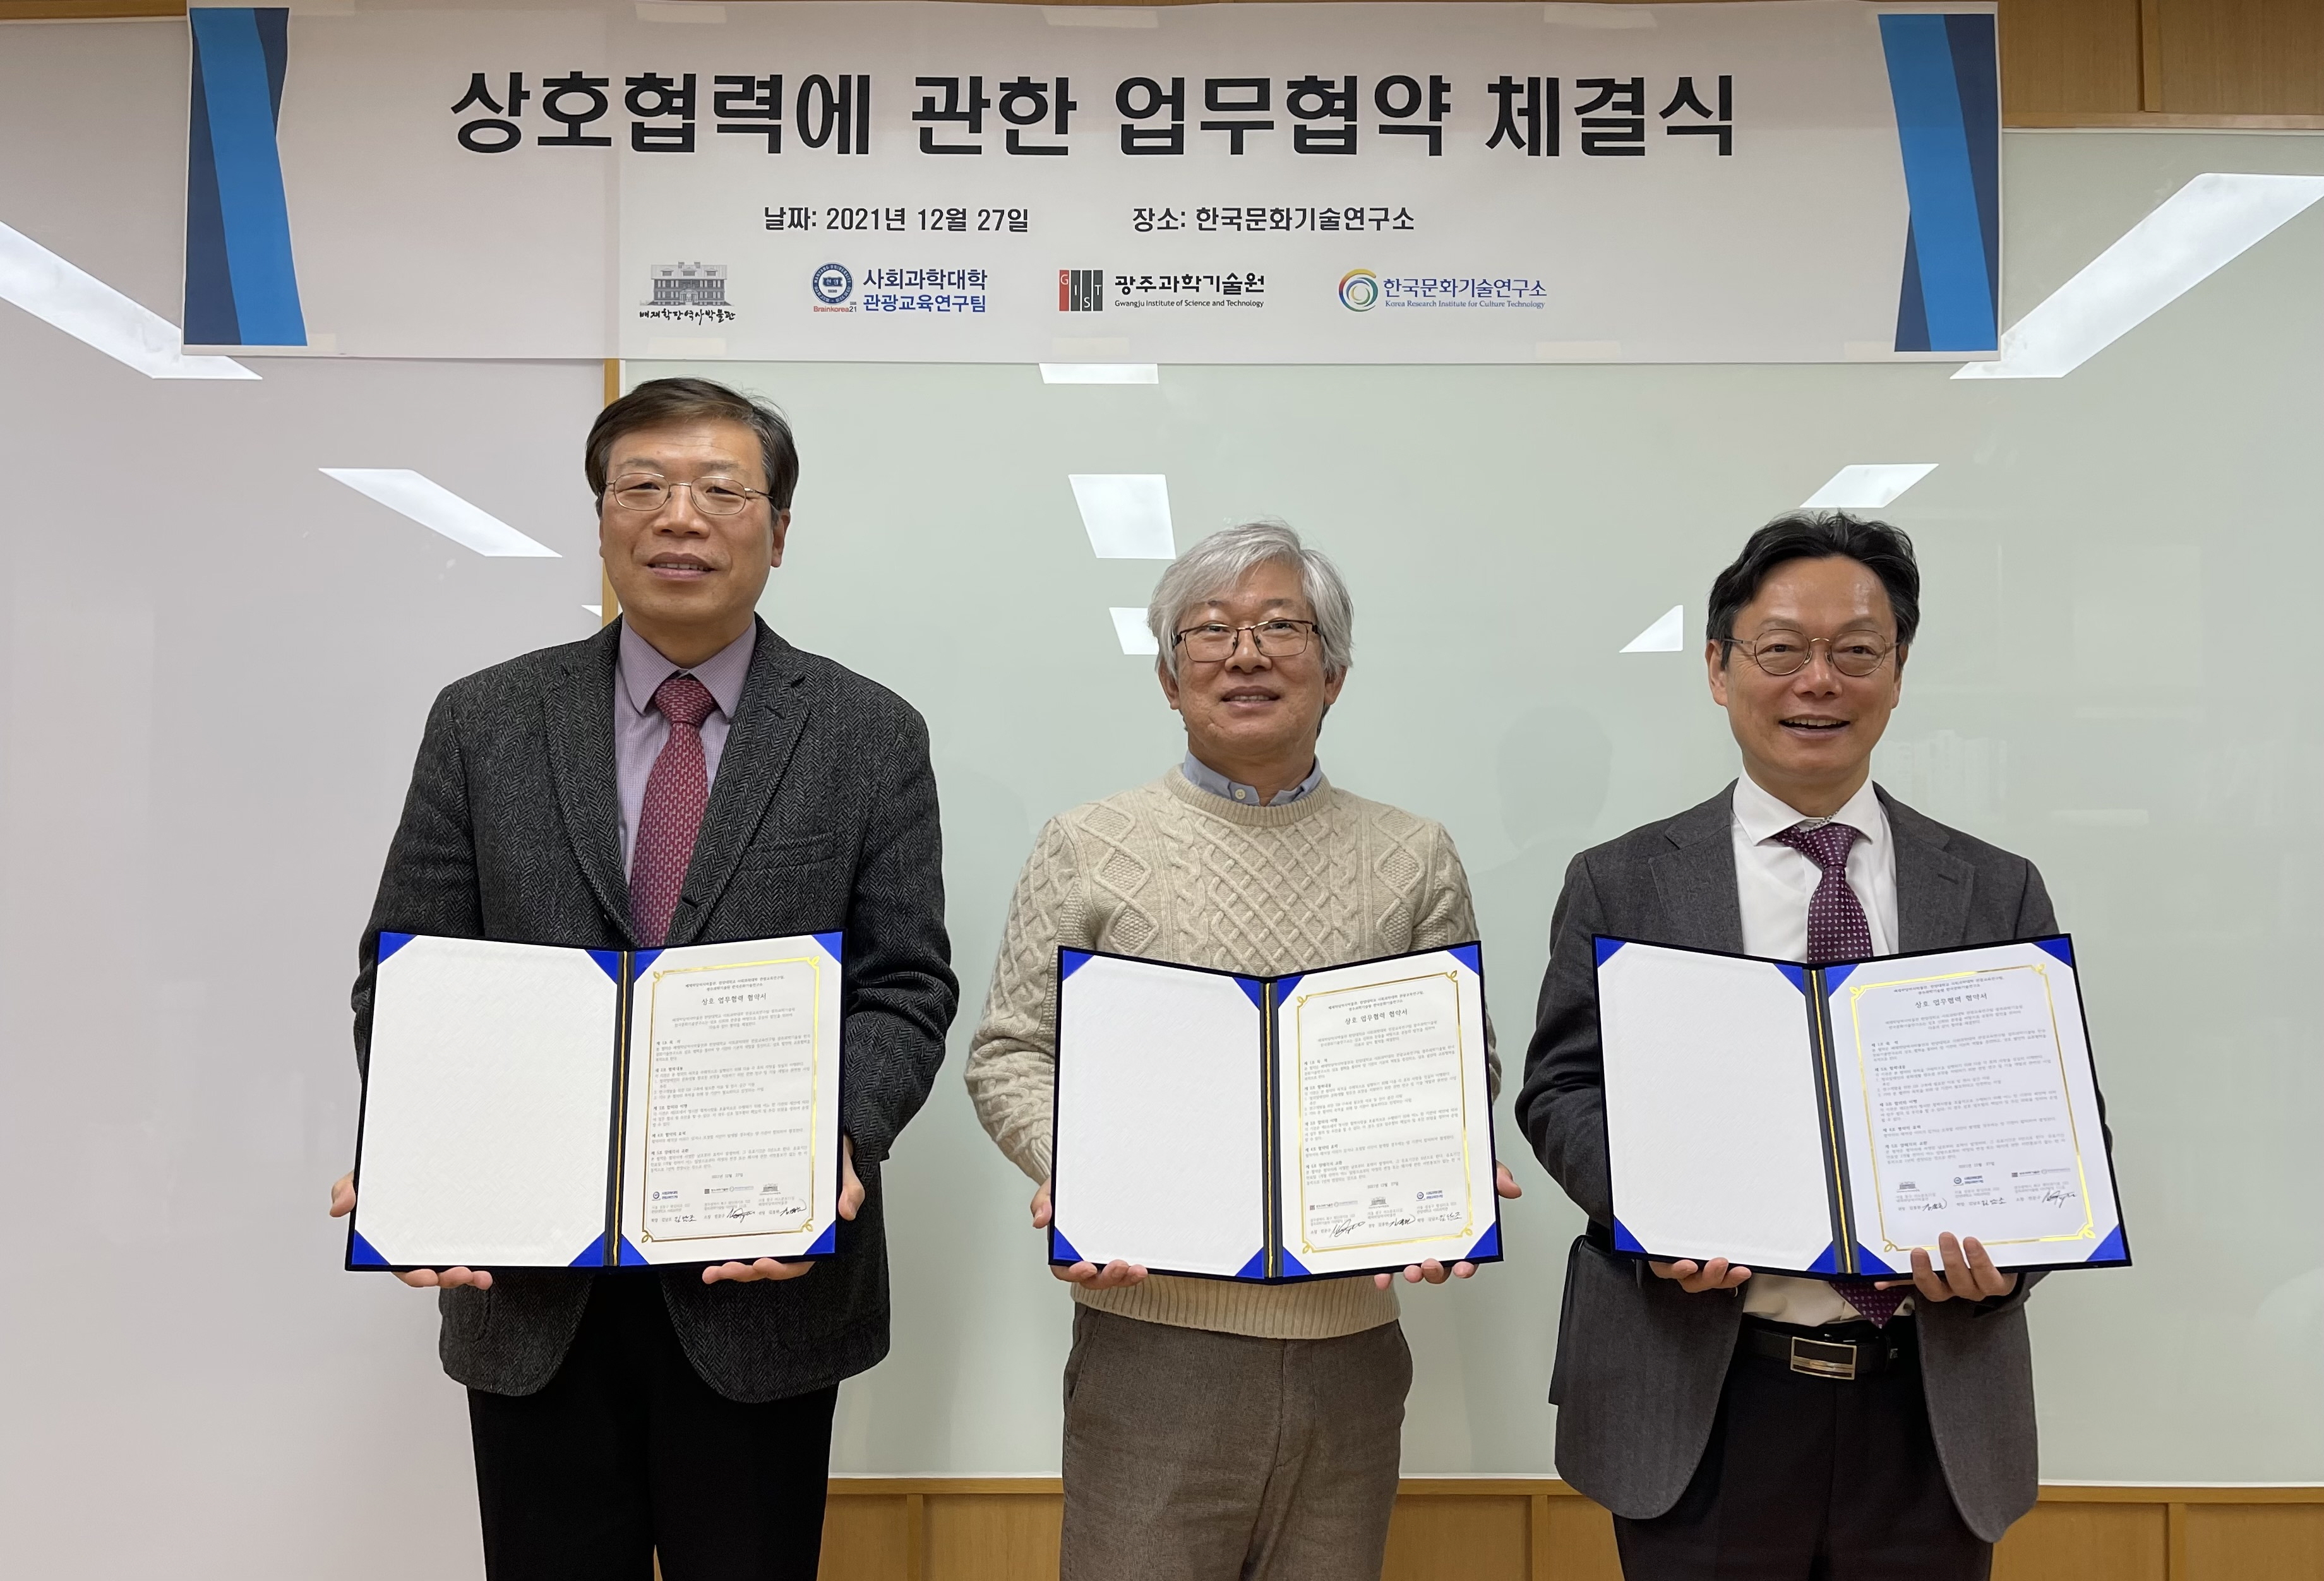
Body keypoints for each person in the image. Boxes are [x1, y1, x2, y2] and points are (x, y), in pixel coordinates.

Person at [328, 377, 957, 1581]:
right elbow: (409, 975)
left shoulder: (869, 733)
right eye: (645, 487)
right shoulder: (484, 720)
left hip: (760, 1281)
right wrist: (418, 1146)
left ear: (778, 531)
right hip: (530, 1289)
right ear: (603, 517)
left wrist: (838, 1137)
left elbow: (904, 985)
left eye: (723, 489)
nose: (681, 516)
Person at [966, 520, 1522, 1581]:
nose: (1246, 654)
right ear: (1169, 681)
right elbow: (1009, 1053)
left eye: (1281, 627)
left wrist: (1447, 1166)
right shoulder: (1087, 844)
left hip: (1352, 1351)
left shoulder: (1415, 854)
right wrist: (1079, 1171)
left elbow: (1460, 1061)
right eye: (1211, 631)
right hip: (1150, 1346)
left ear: (1335, 672)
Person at [1518, 511, 2061, 1580]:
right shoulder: (1622, 883)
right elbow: (1561, 1091)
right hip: (1702, 1397)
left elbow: (2050, 1122)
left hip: (1932, 1404)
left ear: (1897, 674)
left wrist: (2012, 1262)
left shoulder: (1995, 889)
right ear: (1719, 669)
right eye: (1781, 649)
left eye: (1856, 650)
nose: (1819, 680)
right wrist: (1651, 1209)